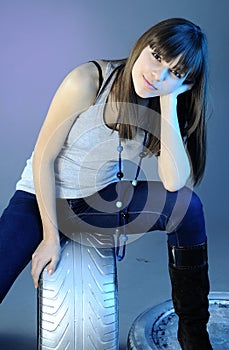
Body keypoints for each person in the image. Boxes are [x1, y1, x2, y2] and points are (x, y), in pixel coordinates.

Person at [0, 17, 213, 349]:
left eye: (176, 72)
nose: (158, 74)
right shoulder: (88, 80)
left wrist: (169, 102)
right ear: (143, 44)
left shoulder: (165, 101)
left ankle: (194, 332)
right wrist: (50, 237)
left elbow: (173, 183)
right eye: (157, 56)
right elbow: (43, 157)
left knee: (189, 208)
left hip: (97, 202)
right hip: (40, 198)